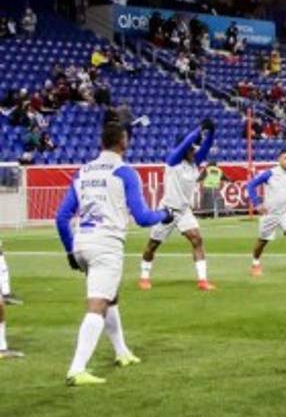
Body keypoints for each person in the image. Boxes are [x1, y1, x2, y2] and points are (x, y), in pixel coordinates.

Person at [55, 123, 175, 385]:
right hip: (106, 244)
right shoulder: (125, 172)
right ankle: (77, 369)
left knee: (111, 296)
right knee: (97, 305)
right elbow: (143, 218)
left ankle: (122, 352)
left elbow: (62, 217)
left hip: (82, 242)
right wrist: (164, 215)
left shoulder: (82, 172)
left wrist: (69, 251)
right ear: (123, 141)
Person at [139, 120, 216, 291]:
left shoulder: (194, 163)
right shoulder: (173, 162)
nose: (195, 150)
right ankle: (144, 276)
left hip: (184, 210)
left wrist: (211, 131)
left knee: (197, 238)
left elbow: (207, 145)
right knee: (153, 245)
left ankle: (202, 280)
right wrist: (199, 129)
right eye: (191, 148)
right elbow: (187, 142)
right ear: (184, 148)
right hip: (167, 210)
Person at [247, 148, 286, 280]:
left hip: (285, 213)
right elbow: (251, 185)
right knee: (262, 241)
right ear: (279, 160)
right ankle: (255, 263)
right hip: (270, 214)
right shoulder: (270, 173)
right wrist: (257, 203)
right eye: (285, 158)